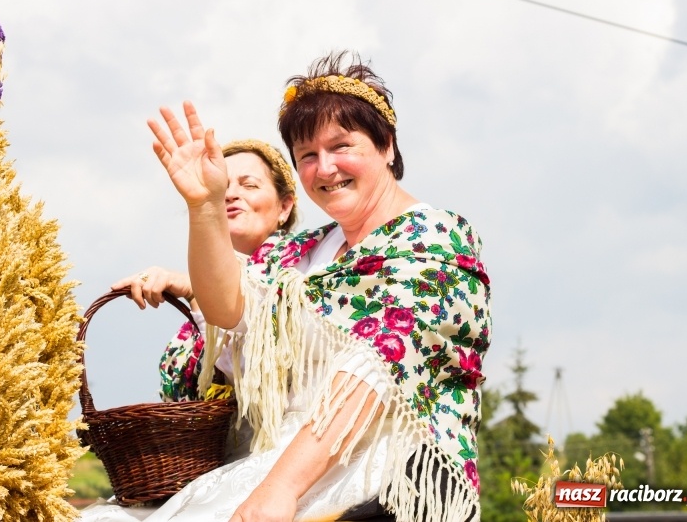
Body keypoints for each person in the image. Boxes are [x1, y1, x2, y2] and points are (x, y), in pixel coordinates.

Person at [83, 51, 491, 522]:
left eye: (342, 146)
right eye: (308, 156)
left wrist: (280, 490)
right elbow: (227, 311)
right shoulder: (295, 254)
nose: (325, 167)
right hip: (276, 461)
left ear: (388, 146)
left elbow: (373, 375)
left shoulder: (433, 238)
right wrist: (204, 207)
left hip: (380, 470)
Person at [110, 139, 298, 402]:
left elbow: (253, 373)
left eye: (249, 185)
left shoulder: (300, 276)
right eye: (220, 186)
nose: (231, 194)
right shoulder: (199, 279)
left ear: (284, 207)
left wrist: (194, 292)